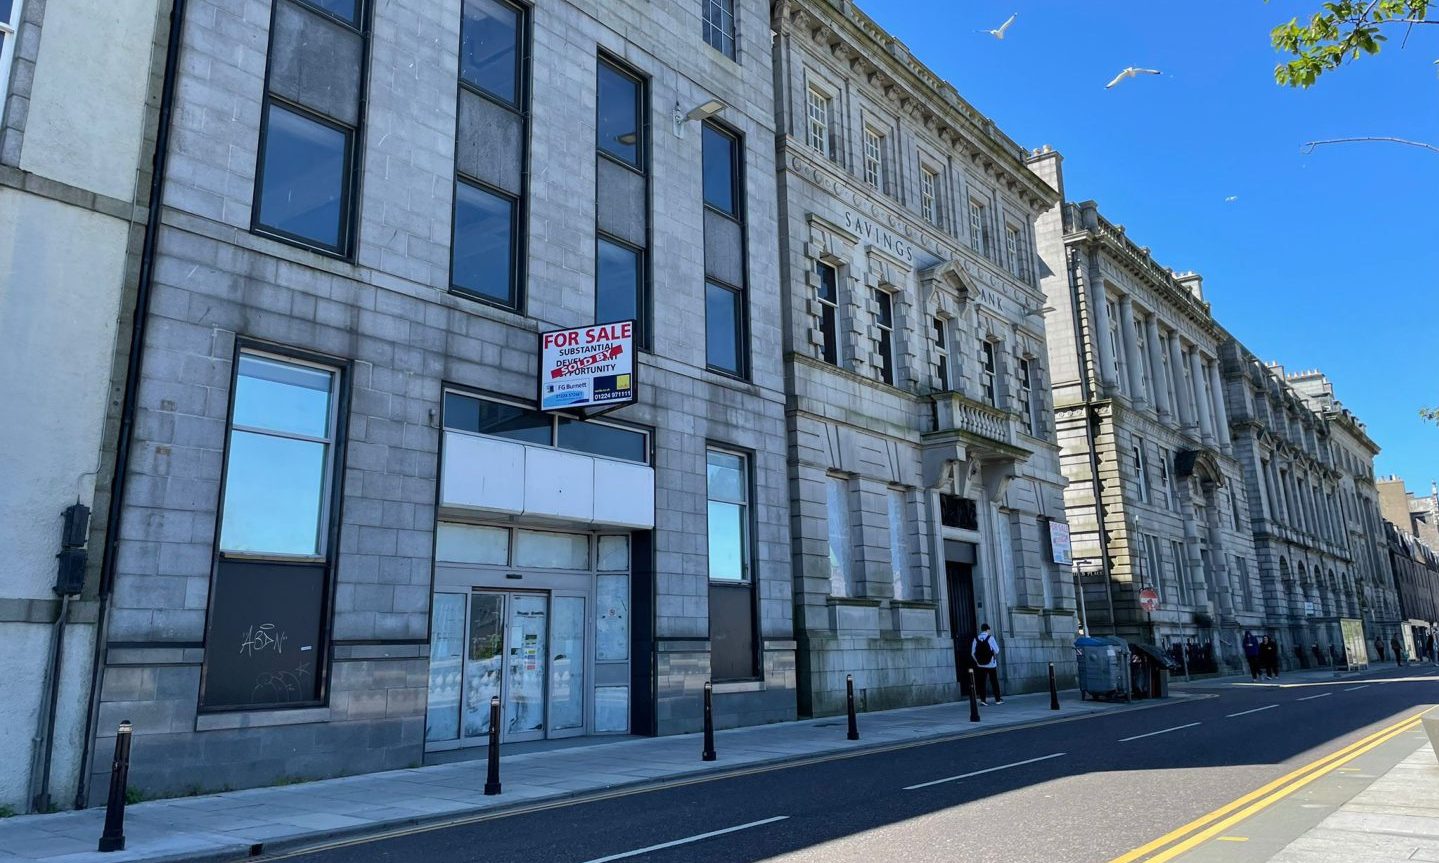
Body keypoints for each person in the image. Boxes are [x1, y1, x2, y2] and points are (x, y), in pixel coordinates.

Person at [971, 623, 1002, 705]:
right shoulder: (990, 638)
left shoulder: (976, 638)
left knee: (982, 682)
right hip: (991, 664)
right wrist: (992, 654)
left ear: (981, 629)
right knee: (994, 681)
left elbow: (972, 653)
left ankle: (983, 700)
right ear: (988, 629)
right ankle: (998, 699)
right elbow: (997, 650)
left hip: (980, 665)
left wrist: (977, 661)